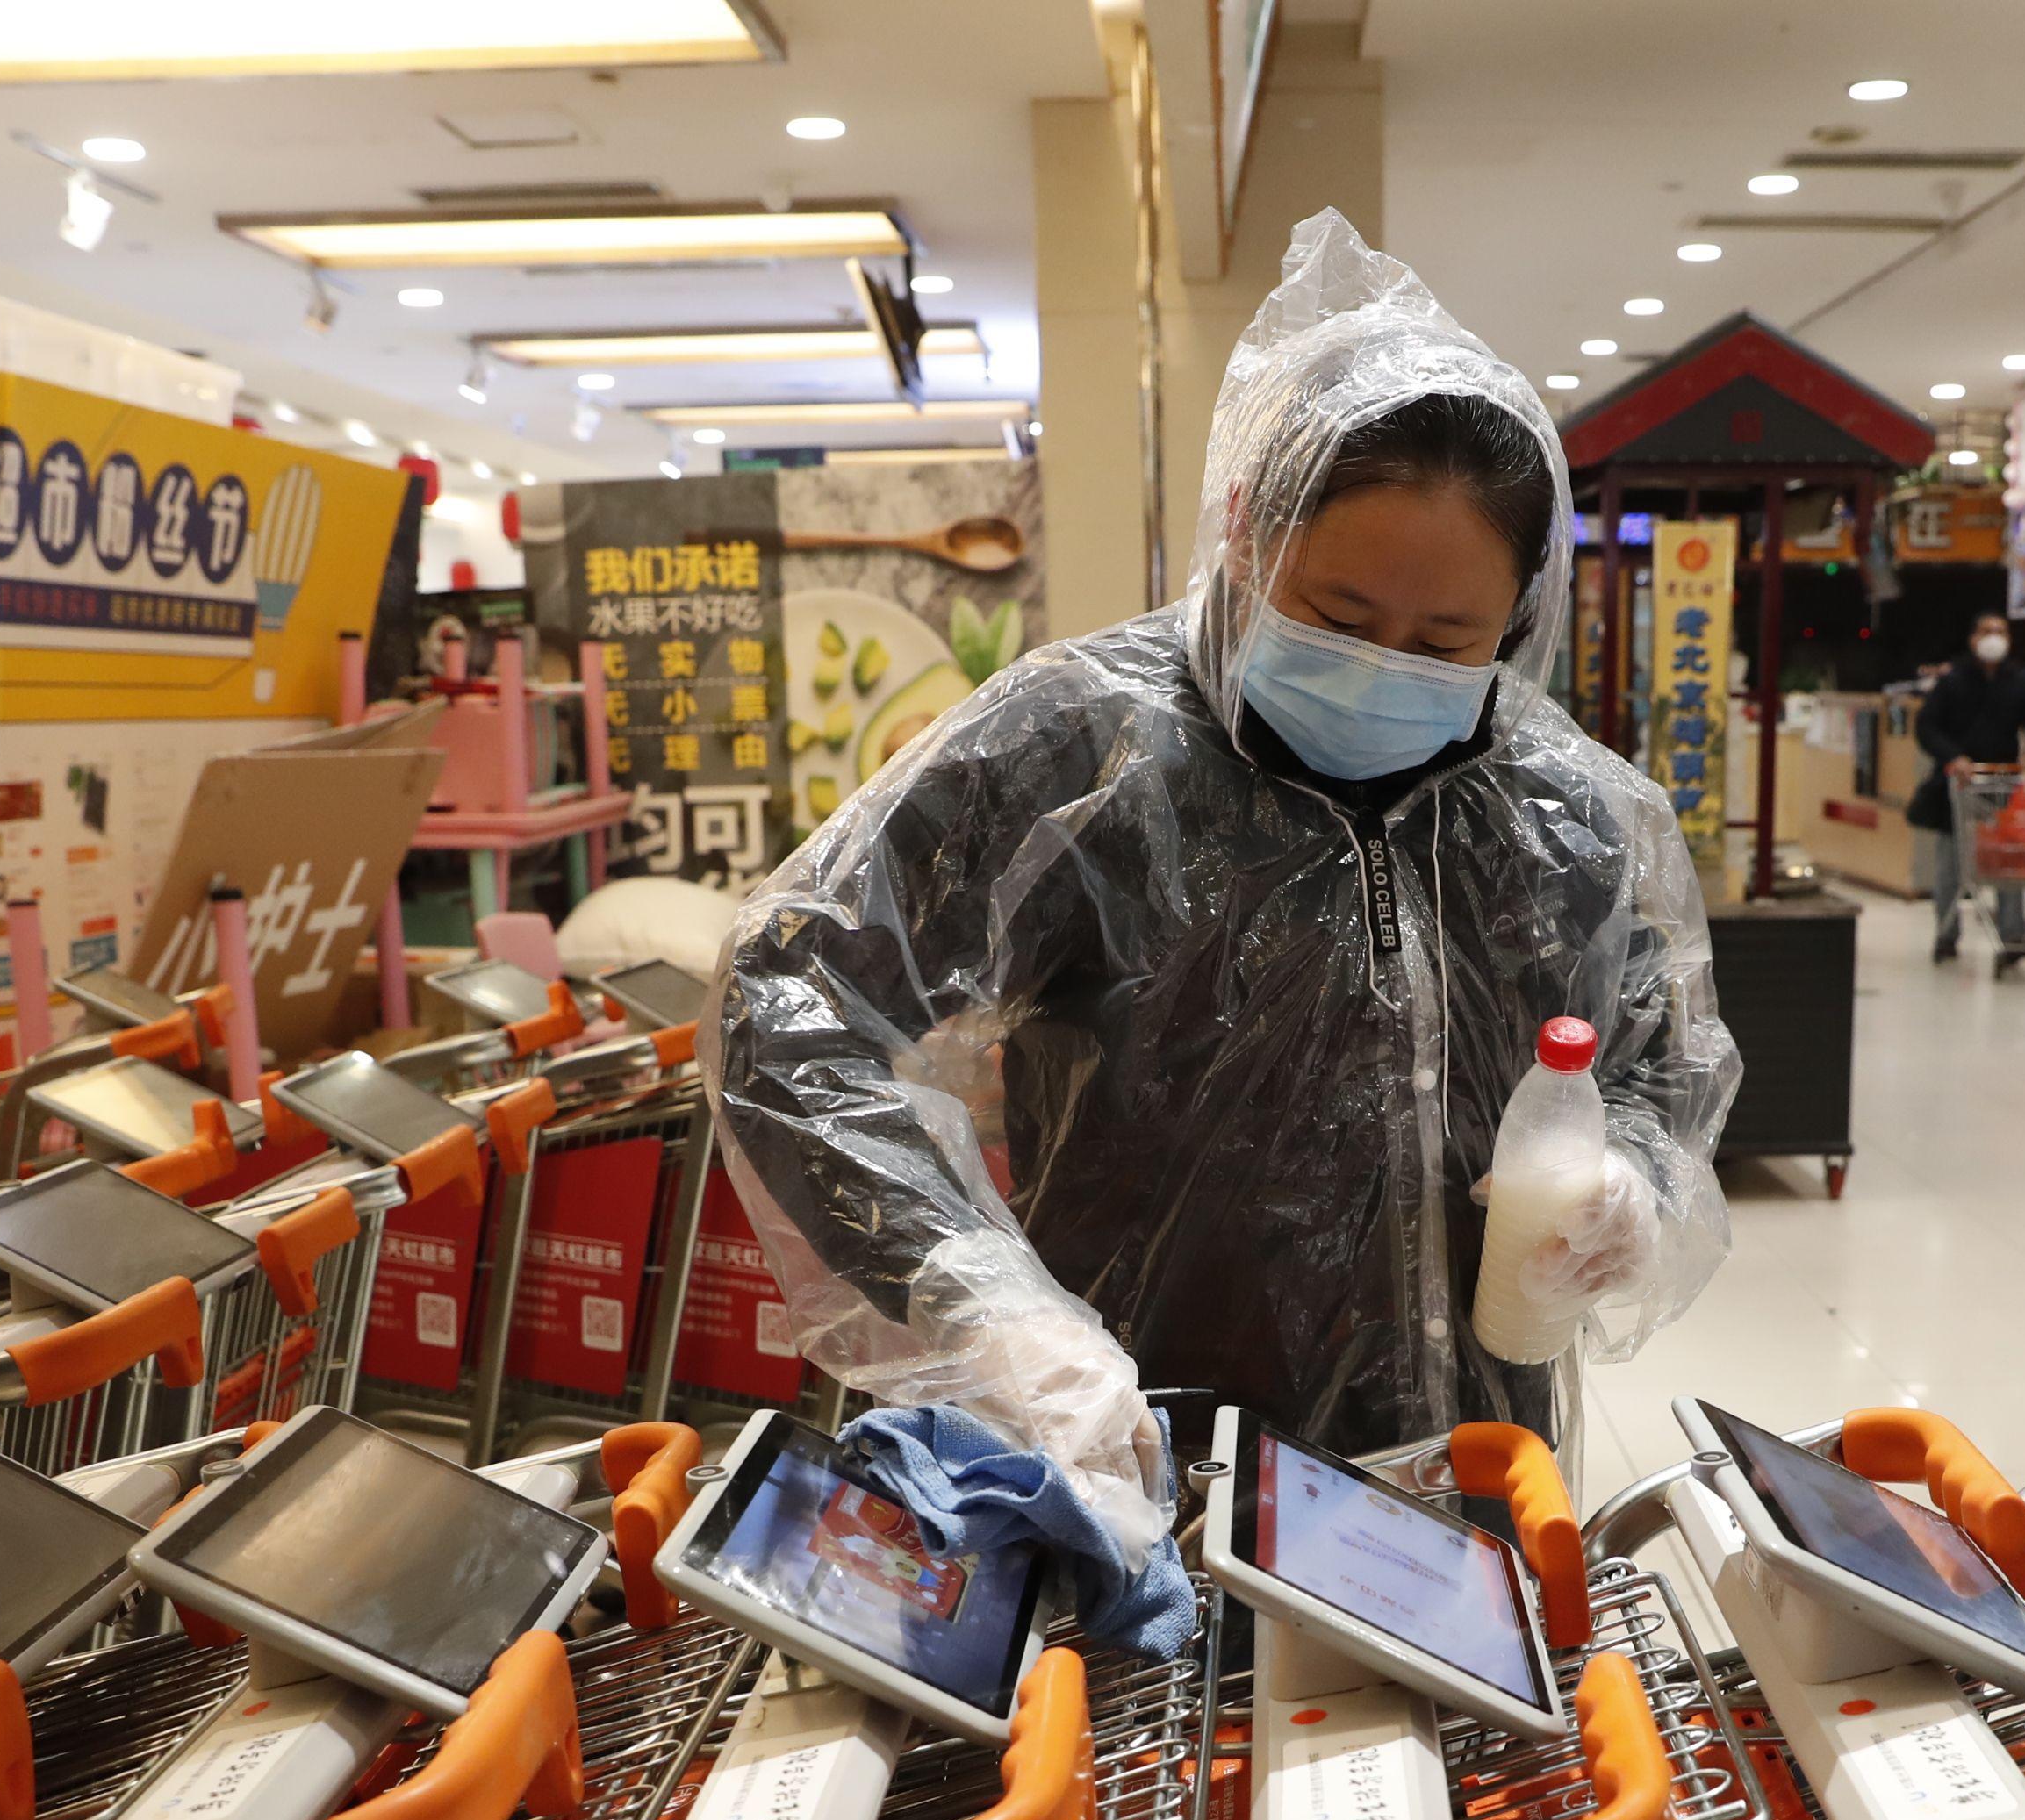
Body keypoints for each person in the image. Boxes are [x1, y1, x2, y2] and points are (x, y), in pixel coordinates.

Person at [708, 211, 1739, 1555]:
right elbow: (792, 997)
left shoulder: (1568, 809)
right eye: (1339, 619)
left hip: (1480, 1463)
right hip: (1156, 1454)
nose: (1387, 665)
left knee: (1437, 1761)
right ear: (1246, 529)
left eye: (1447, 638)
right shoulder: (1084, 747)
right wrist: (988, 1310)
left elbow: (1661, 1067)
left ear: (1522, 614)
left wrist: (1638, 1190)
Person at [1905, 614, 2025, 964]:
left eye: (2001, 631)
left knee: (2008, 861)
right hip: (1958, 785)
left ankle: (2013, 935)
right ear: (1973, 639)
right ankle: (1946, 933)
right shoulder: (1952, 681)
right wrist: (1953, 758)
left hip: (2003, 782)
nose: (1994, 638)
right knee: (1951, 864)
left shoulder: (2020, 683)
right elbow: (1927, 727)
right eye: (1987, 631)